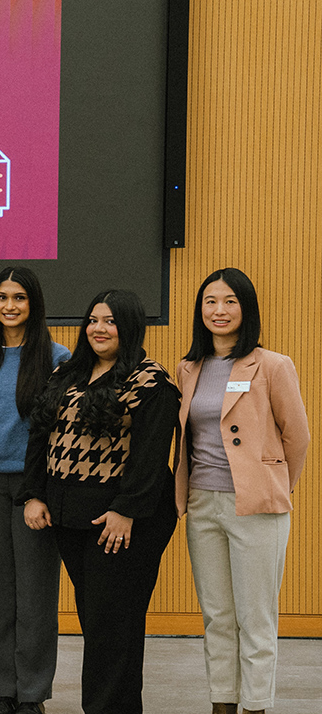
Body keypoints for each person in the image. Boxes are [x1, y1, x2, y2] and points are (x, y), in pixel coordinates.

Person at [20, 289, 181, 714]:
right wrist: (34, 493)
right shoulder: (68, 372)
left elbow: (150, 457)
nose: (99, 328)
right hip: (70, 515)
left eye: (109, 321)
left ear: (128, 327)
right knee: (100, 623)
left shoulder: (151, 381)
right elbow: (41, 437)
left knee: (113, 627)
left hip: (124, 519)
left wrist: (127, 510)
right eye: (93, 320)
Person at [174, 269, 309, 714]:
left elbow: (298, 437)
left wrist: (271, 488)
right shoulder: (188, 367)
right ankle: (222, 704)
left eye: (230, 301)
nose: (219, 310)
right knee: (217, 616)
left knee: (256, 618)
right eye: (210, 301)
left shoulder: (272, 365)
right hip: (202, 503)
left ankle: (255, 706)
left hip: (257, 507)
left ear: (245, 308)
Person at [0, 268, 70, 714]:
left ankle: (32, 694)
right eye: (3, 297)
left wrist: (39, 490)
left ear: (34, 304)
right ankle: (3, 692)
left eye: (20, 298)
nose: (10, 306)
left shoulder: (58, 357)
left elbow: (59, 429)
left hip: (35, 486)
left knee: (35, 591)